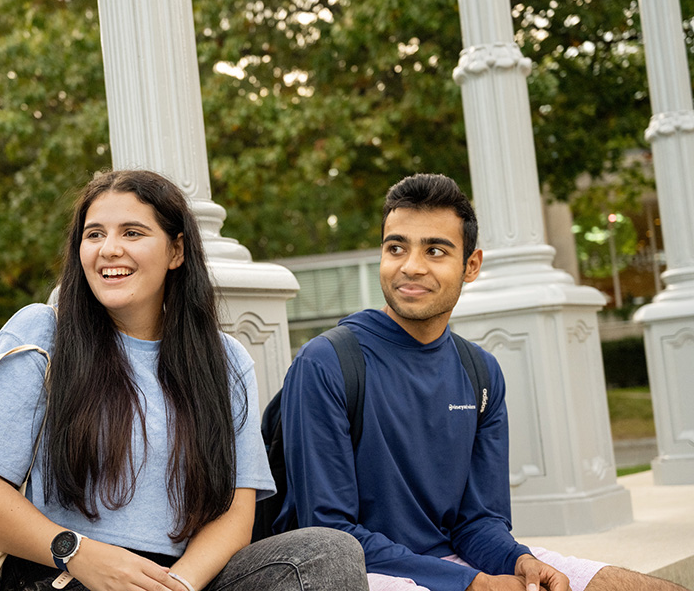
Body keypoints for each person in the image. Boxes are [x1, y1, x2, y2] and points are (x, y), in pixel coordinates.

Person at [0, 169, 367, 591]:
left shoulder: (225, 360)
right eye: (94, 235)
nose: (109, 249)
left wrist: (177, 585)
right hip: (62, 569)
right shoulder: (42, 333)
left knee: (329, 553)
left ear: (176, 250)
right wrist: (81, 555)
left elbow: (235, 513)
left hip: (182, 577)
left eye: (132, 233)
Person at [276, 173, 688, 591]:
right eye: (396, 248)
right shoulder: (326, 363)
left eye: (435, 250)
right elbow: (331, 537)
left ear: (470, 266)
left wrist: (519, 560)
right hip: (364, 573)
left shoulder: (480, 372)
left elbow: (478, 521)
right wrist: (470, 582)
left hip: (454, 564)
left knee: (621, 584)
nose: (411, 266)